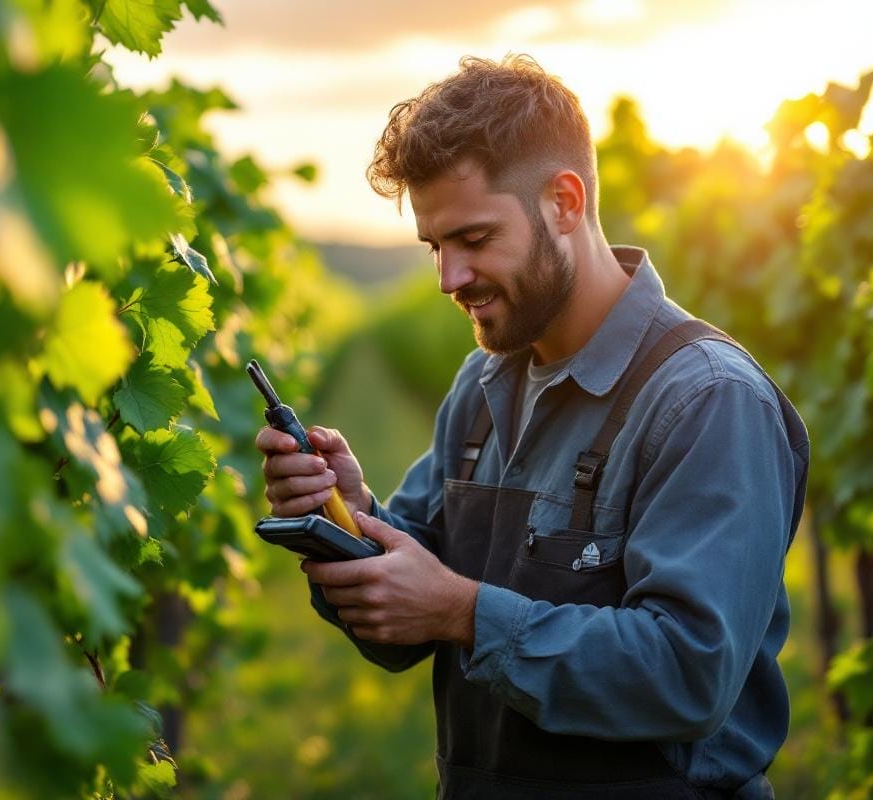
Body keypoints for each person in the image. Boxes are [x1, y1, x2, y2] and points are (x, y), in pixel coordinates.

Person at [255, 55, 809, 799]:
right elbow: (407, 622)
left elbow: (688, 674)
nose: (449, 279)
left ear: (564, 203)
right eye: (435, 247)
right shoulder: (484, 386)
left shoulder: (706, 400)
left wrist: (464, 612)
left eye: (475, 239)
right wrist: (348, 519)